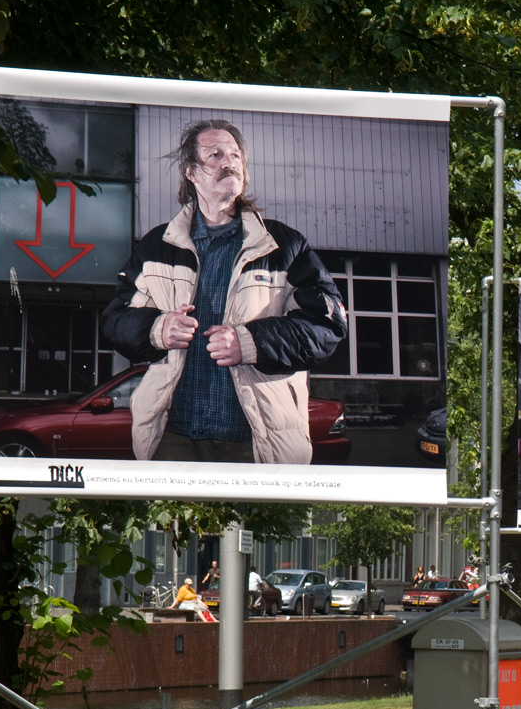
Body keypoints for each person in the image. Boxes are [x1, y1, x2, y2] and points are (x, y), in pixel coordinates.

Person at [101, 119, 347, 463]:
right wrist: (157, 329)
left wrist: (250, 342)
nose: (228, 162)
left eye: (235, 155)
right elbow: (115, 320)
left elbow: (327, 326)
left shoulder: (285, 245)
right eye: (215, 155)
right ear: (191, 173)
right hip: (172, 440)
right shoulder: (157, 246)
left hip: (258, 443)